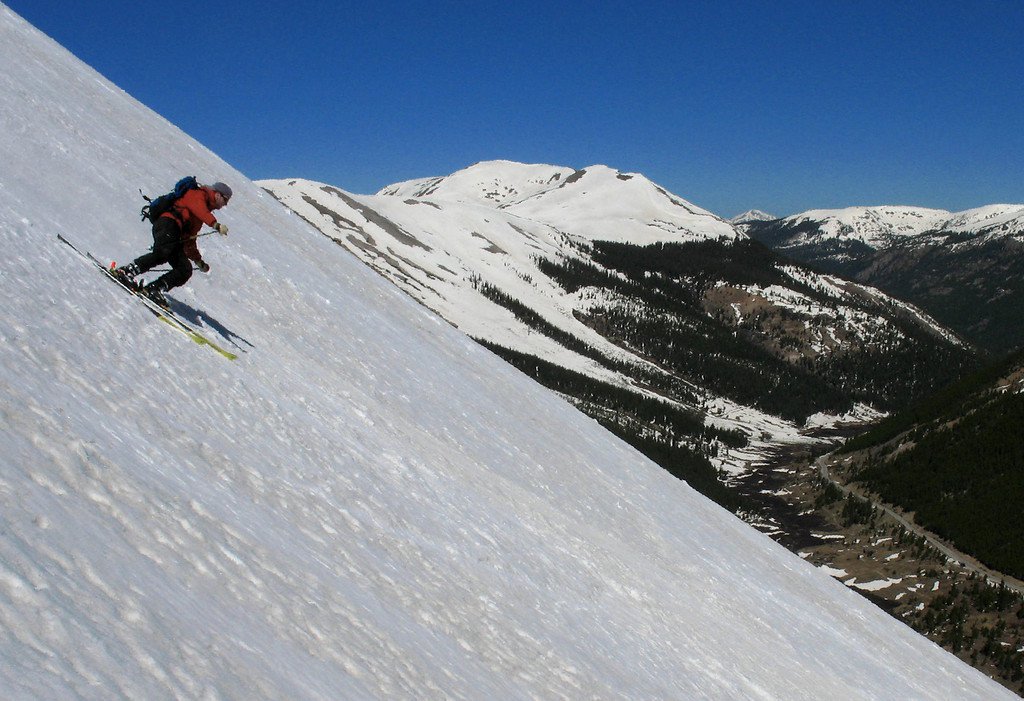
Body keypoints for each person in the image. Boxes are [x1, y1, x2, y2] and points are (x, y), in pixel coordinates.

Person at [114, 181, 232, 304]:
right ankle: (127, 271)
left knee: (184, 269)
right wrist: (215, 225)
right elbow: (199, 209)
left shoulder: (202, 212)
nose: (225, 204)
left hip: (175, 232)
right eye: (225, 200)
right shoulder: (198, 194)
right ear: (218, 194)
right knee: (163, 252)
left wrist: (198, 260)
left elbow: (190, 238)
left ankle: (155, 288)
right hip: (167, 223)